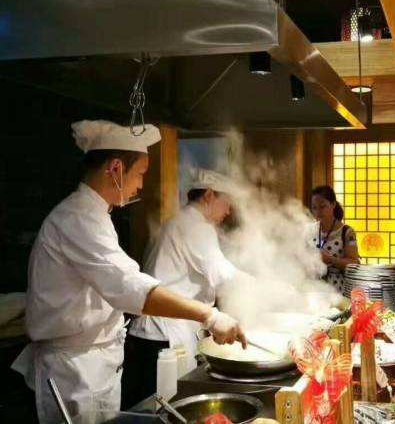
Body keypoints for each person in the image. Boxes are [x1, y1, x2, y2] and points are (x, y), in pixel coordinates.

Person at [11, 120, 246, 424]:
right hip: (74, 372)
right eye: (141, 174)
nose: (141, 184)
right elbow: (129, 286)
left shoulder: (96, 215)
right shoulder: (78, 218)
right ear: (116, 169)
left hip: (94, 365)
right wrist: (210, 315)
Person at [123, 168, 247, 409]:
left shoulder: (182, 221)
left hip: (154, 334)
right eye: (227, 203)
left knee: (156, 406)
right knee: (159, 408)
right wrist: (275, 290)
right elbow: (224, 275)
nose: (229, 211)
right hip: (162, 337)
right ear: (209, 195)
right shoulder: (195, 225)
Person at [309, 185, 359, 293]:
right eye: (314, 207)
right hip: (313, 290)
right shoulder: (309, 230)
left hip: (336, 291)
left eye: (322, 206)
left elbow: (354, 264)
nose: (318, 212)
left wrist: (330, 260)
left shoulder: (347, 232)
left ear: (333, 204)